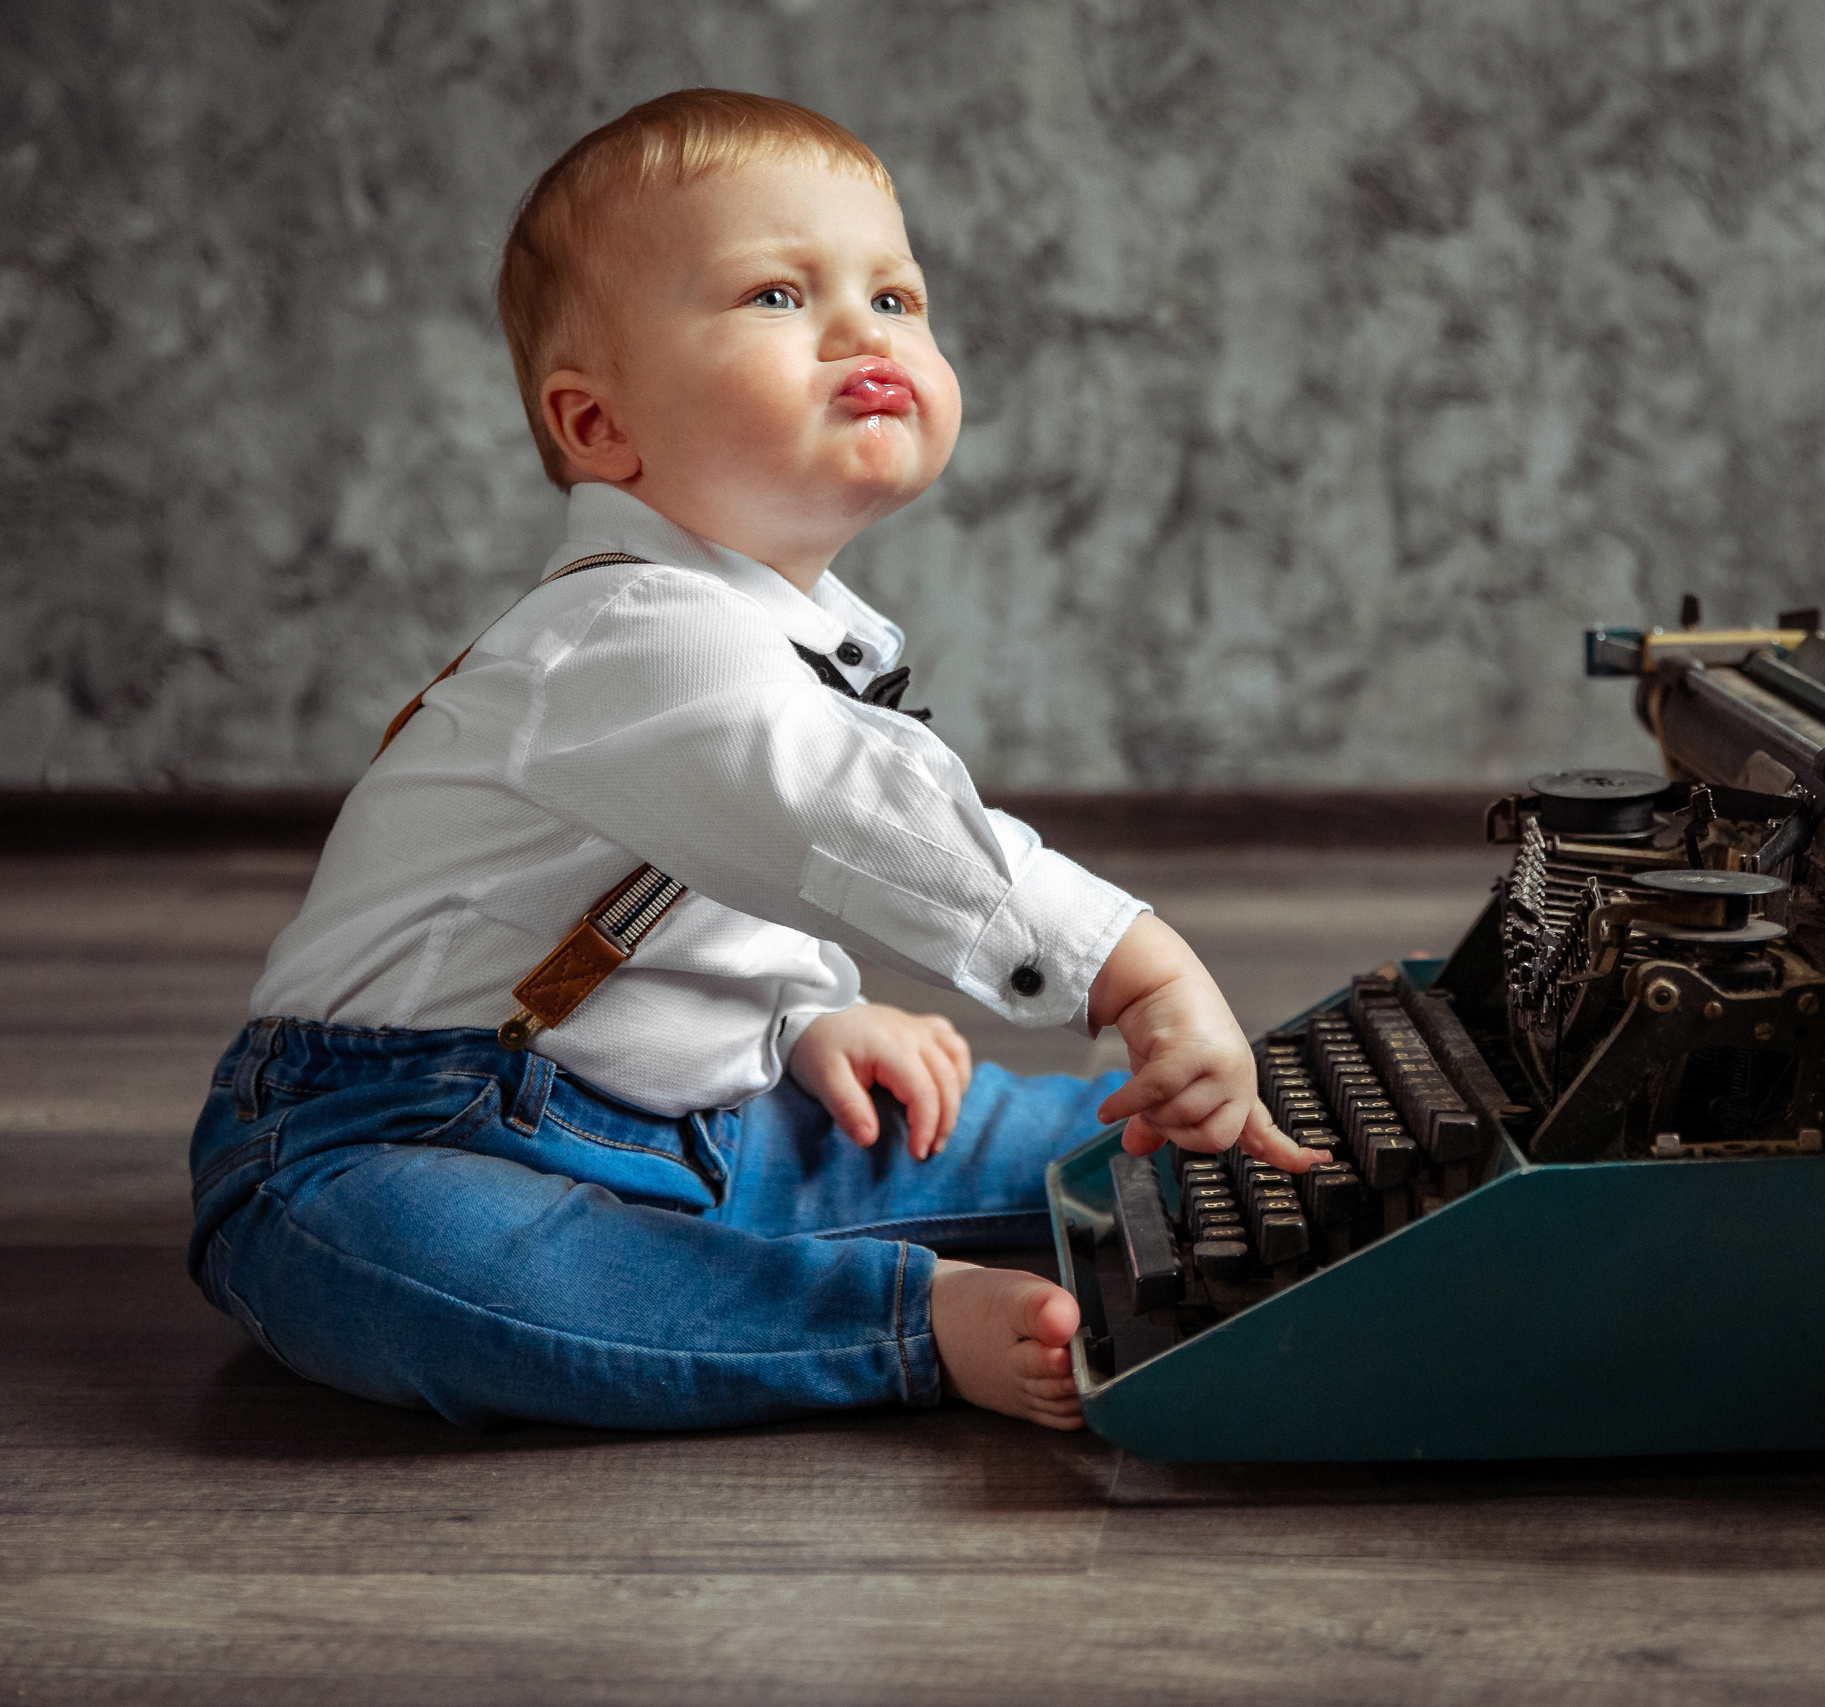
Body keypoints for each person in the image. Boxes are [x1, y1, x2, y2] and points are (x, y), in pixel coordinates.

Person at [186, 88, 1306, 1435]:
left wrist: (807, 1015)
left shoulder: (772, 639)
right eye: (778, 295)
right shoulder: (624, 634)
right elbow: (831, 809)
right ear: (599, 427)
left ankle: (1310, 1142)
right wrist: (1132, 966)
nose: (863, 330)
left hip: (701, 1119)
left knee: (1088, 1140)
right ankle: (895, 1319)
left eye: (895, 296)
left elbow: (740, 858)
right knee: (469, 1279)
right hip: (383, 1140)